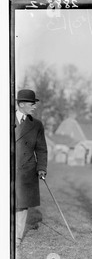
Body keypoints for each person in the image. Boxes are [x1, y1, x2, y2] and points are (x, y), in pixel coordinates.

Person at [15, 89, 48, 248]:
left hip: (26, 172)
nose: (34, 106)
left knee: (21, 205)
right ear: (21, 104)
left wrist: (41, 168)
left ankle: (17, 237)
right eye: (31, 103)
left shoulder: (36, 125)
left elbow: (41, 149)